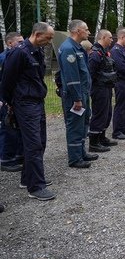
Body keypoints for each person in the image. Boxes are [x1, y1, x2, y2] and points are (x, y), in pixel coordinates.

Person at [0, 22, 56, 200]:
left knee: (40, 141)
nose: (49, 42)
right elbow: (7, 80)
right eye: (47, 38)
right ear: (37, 35)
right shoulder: (19, 52)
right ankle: (35, 187)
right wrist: (10, 103)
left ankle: (27, 178)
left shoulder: (36, 51)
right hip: (25, 104)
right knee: (33, 144)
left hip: (36, 102)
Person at [58, 20, 97, 168]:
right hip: (76, 95)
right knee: (75, 125)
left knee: (83, 123)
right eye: (86, 29)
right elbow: (71, 77)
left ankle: (81, 152)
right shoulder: (69, 49)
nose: (88, 32)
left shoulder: (78, 47)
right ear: (77, 31)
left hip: (83, 93)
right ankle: (75, 158)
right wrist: (77, 98)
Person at [88, 29, 117, 152]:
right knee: (99, 114)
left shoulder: (104, 52)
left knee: (107, 113)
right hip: (99, 88)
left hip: (106, 86)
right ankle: (94, 143)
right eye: (110, 38)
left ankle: (102, 137)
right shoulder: (95, 54)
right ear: (103, 37)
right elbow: (91, 73)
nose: (112, 40)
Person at [0, 32, 24, 172]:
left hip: (16, 98)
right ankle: (6, 159)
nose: (22, 43)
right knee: (7, 128)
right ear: (10, 43)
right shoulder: (3, 58)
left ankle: (18, 155)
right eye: (19, 41)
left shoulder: (18, 56)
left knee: (18, 128)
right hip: (5, 100)